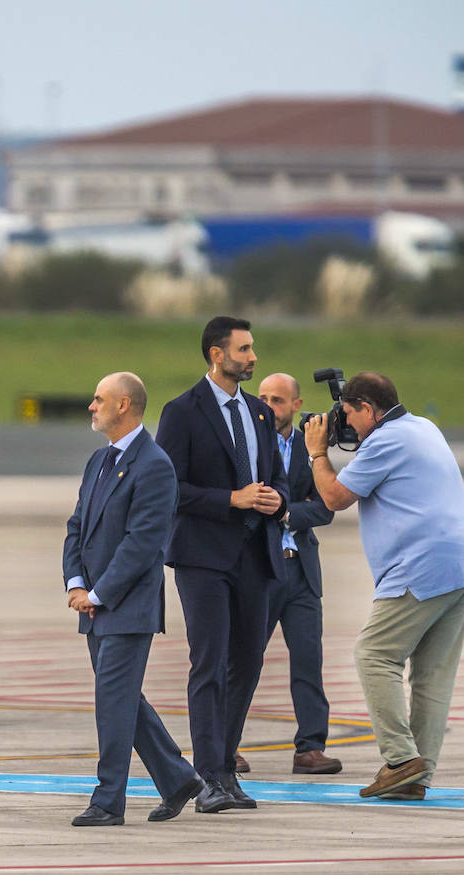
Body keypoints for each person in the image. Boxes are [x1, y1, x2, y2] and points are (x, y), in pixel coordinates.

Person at [304, 372, 464, 801]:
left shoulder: (385, 442)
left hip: (423, 567)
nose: (343, 424)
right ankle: (416, 777)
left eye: (347, 415)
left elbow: (334, 496)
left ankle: (401, 760)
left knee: (373, 655)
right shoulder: (423, 427)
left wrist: (316, 452)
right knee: (432, 676)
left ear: (368, 408)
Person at [155, 317, 287, 813]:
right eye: (244, 349)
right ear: (217, 354)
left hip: (255, 554)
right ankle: (208, 775)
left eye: (253, 348)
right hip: (202, 557)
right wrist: (230, 499)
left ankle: (225, 768)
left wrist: (279, 499)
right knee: (209, 663)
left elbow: (277, 476)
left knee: (248, 663)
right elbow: (171, 488)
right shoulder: (182, 412)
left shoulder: (258, 412)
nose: (253, 357)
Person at [63, 372, 203, 827]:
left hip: (125, 608)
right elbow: (76, 527)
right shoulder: (99, 461)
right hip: (95, 604)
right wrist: (75, 583)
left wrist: (99, 594)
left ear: (124, 405)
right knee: (122, 699)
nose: (91, 405)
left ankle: (108, 801)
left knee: (113, 702)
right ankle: (178, 777)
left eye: (99, 398)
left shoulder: (154, 465)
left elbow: (143, 544)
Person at [248, 372, 340, 776]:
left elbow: (324, 507)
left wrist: (286, 511)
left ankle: (310, 748)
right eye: (263, 397)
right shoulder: (247, 444)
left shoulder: (310, 448)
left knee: (308, 660)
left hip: (301, 570)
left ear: (297, 406)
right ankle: (224, 742)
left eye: (279, 400)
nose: (269, 406)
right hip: (260, 568)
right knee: (244, 659)